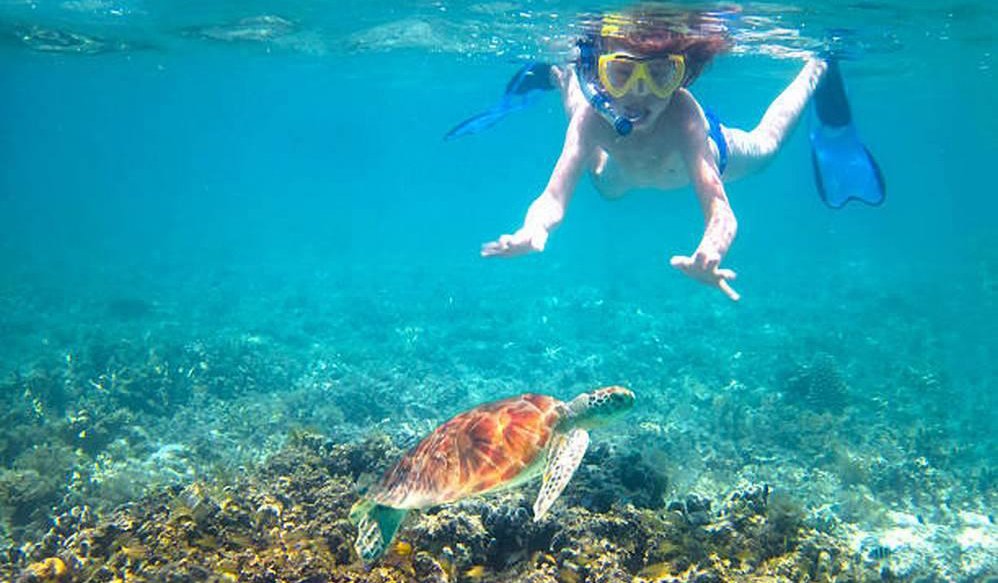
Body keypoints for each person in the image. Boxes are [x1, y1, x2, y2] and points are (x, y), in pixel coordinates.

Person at [452, 9, 883, 301]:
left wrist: (711, 250)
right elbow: (553, 196)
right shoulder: (593, 116)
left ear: (683, 76)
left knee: (766, 147)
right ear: (600, 75)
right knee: (597, 170)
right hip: (620, 172)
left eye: (660, 76)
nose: (640, 93)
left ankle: (816, 67)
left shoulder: (682, 115)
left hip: (711, 155)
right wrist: (534, 228)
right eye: (621, 73)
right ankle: (562, 77)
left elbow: (721, 211)